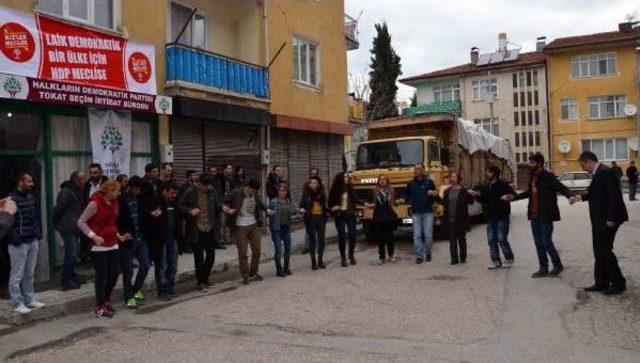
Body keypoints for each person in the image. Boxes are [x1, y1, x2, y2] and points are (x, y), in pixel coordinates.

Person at [507, 153, 577, 278]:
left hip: (546, 215)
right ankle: (543, 267)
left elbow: (561, 187)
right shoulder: (533, 176)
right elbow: (529, 192)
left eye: (532, 163)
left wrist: (570, 196)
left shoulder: (548, 176)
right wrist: (514, 197)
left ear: (539, 163)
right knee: (538, 243)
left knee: (546, 242)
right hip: (534, 216)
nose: (529, 165)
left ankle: (557, 265)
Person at [578, 151, 628, 295]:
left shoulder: (605, 172)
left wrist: (612, 218)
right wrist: (580, 198)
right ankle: (601, 282)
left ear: (589, 161)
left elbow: (615, 195)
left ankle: (619, 284)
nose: (583, 169)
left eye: (583, 165)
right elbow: (596, 193)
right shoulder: (599, 172)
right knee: (598, 250)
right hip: (599, 219)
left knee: (605, 250)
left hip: (608, 220)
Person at [77, 179, 123, 319]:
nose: (119, 193)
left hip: (112, 242)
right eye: (117, 191)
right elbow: (81, 222)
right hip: (98, 246)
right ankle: (100, 306)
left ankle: (106, 297)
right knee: (101, 276)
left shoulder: (114, 203)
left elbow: (110, 222)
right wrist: (93, 236)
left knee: (114, 273)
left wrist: (118, 235)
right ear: (109, 191)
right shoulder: (94, 203)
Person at [7, 173, 45, 315]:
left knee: (29, 272)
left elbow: (34, 217)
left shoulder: (30, 197)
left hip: (32, 239)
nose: (32, 184)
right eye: (29, 181)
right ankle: (17, 302)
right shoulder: (10, 199)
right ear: (20, 182)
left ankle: (29, 299)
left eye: (32, 181)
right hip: (19, 242)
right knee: (17, 274)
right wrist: (14, 236)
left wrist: (37, 234)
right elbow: (5, 221)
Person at [469, 166, 516, 269]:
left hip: (502, 216)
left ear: (494, 173)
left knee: (501, 238)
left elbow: (513, 195)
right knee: (491, 239)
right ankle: (495, 261)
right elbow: (483, 199)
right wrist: (475, 195)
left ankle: (509, 258)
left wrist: (508, 197)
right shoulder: (488, 185)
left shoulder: (503, 185)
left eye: (488, 172)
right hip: (490, 217)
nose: (486, 174)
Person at [181, 175, 221, 291]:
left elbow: (217, 205)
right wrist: (190, 211)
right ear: (199, 184)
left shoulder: (212, 192)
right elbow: (180, 206)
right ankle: (200, 281)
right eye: (205, 185)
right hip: (196, 229)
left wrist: (223, 208)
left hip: (209, 227)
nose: (207, 188)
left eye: (209, 185)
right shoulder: (190, 192)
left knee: (211, 255)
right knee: (199, 257)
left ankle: (205, 278)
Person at [225, 179, 268, 285]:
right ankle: (245, 275)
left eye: (255, 192)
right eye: (252, 191)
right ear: (248, 187)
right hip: (240, 226)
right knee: (243, 252)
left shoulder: (255, 194)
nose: (253, 193)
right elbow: (223, 201)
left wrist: (267, 210)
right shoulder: (236, 192)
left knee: (257, 250)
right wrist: (227, 209)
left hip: (253, 225)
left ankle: (253, 273)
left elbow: (260, 203)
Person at [116, 176, 150, 309]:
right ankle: (128, 297)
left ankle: (136, 289)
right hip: (127, 239)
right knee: (128, 270)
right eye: (135, 189)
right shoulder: (121, 200)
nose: (137, 192)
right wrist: (122, 233)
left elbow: (144, 214)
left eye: (138, 189)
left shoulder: (141, 199)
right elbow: (117, 220)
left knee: (145, 265)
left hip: (140, 238)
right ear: (129, 187)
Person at [146, 182, 183, 301]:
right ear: (165, 191)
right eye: (171, 193)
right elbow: (145, 215)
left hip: (173, 238)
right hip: (160, 240)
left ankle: (171, 287)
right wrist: (152, 214)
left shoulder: (174, 203)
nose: (173, 195)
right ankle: (163, 290)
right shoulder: (155, 201)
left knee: (173, 264)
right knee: (162, 265)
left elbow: (180, 214)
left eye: (175, 193)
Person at [54, 171, 87, 290]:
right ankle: (66, 280)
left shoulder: (77, 191)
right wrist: (59, 223)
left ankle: (72, 275)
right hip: (67, 227)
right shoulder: (66, 192)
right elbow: (59, 209)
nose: (84, 181)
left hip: (75, 226)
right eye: (82, 179)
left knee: (73, 253)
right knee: (71, 254)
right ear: (76, 180)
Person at [438, 172, 474, 265]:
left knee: (462, 239)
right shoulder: (447, 191)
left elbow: (471, 202)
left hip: (461, 219)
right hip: (450, 219)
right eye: (451, 177)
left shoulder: (464, 191)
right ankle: (454, 259)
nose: (452, 178)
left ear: (458, 178)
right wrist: (435, 197)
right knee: (452, 240)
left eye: (454, 176)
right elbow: (443, 203)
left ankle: (463, 257)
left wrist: (470, 194)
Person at [406, 163, 437, 264]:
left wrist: (433, 193)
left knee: (428, 235)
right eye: (415, 169)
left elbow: (435, 195)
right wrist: (402, 200)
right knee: (417, 235)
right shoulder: (410, 184)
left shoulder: (429, 182)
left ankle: (428, 251)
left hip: (428, 212)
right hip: (416, 213)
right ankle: (419, 256)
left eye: (418, 169)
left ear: (423, 171)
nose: (416, 171)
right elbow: (406, 197)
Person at [328, 172, 358, 267]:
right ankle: (343, 258)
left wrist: (363, 203)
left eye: (347, 177)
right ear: (340, 178)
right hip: (340, 215)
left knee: (352, 235)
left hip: (350, 214)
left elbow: (355, 200)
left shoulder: (350, 188)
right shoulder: (335, 190)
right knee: (342, 236)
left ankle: (351, 255)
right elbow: (330, 204)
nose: (346, 178)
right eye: (344, 177)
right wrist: (334, 208)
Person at [300, 176, 328, 270]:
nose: (312, 184)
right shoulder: (306, 194)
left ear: (318, 184)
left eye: (314, 182)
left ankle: (320, 260)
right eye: (311, 182)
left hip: (321, 218)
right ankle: (313, 262)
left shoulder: (322, 193)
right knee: (312, 240)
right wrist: (302, 210)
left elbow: (325, 206)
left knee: (321, 240)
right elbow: (301, 206)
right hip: (311, 218)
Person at [267, 183, 295, 277]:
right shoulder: (273, 201)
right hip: (276, 228)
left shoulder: (288, 201)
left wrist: (296, 210)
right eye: (279, 190)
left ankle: (286, 268)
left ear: (286, 192)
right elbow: (268, 213)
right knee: (278, 249)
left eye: (283, 191)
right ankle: (279, 269)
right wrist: (270, 213)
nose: (281, 192)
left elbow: (292, 211)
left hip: (286, 227)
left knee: (288, 248)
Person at [370, 175, 397, 264]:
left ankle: (391, 255)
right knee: (380, 238)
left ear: (387, 181)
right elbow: (373, 202)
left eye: (384, 179)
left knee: (390, 237)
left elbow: (393, 202)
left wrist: (397, 203)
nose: (382, 181)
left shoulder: (391, 189)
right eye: (380, 180)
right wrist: (370, 205)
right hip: (378, 215)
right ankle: (381, 257)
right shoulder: (375, 190)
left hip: (389, 214)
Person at [301, 167, 321, 255]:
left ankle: (317, 247)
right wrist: (302, 207)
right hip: (309, 211)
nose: (313, 175)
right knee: (308, 230)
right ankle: (307, 247)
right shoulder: (306, 185)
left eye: (315, 173)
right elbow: (304, 197)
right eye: (311, 173)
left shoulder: (320, 185)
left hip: (318, 212)